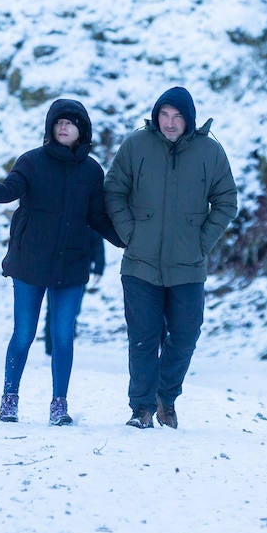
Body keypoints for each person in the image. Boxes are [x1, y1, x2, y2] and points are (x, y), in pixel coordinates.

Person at [0, 98, 122, 426]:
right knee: (24, 333)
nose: (64, 126)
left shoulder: (91, 171)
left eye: (71, 122)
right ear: (50, 127)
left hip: (71, 267)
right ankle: (9, 399)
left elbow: (97, 218)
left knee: (62, 336)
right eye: (59, 121)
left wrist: (125, 240)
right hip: (30, 263)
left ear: (82, 130)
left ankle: (59, 404)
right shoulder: (31, 162)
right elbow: (7, 191)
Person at [104, 86, 238, 430]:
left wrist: (201, 243)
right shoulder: (137, 145)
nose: (169, 122)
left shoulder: (211, 151)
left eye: (177, 116)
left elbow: (226, 201)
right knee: (143, 337)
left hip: (189, 265)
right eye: (164, 114)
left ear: (189, 119)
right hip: (140, 263)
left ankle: (166, 396)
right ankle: (142, 409)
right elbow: (114, 189)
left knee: (185, 335)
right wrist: (129, 233)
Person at [43, 230, 104, 357]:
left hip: (79, 269)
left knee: (72, 310)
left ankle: (65, 342)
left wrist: (99, 266)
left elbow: (97, 241)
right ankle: (51, 348)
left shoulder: (86, 215)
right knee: (52, 309)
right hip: (54, 267)